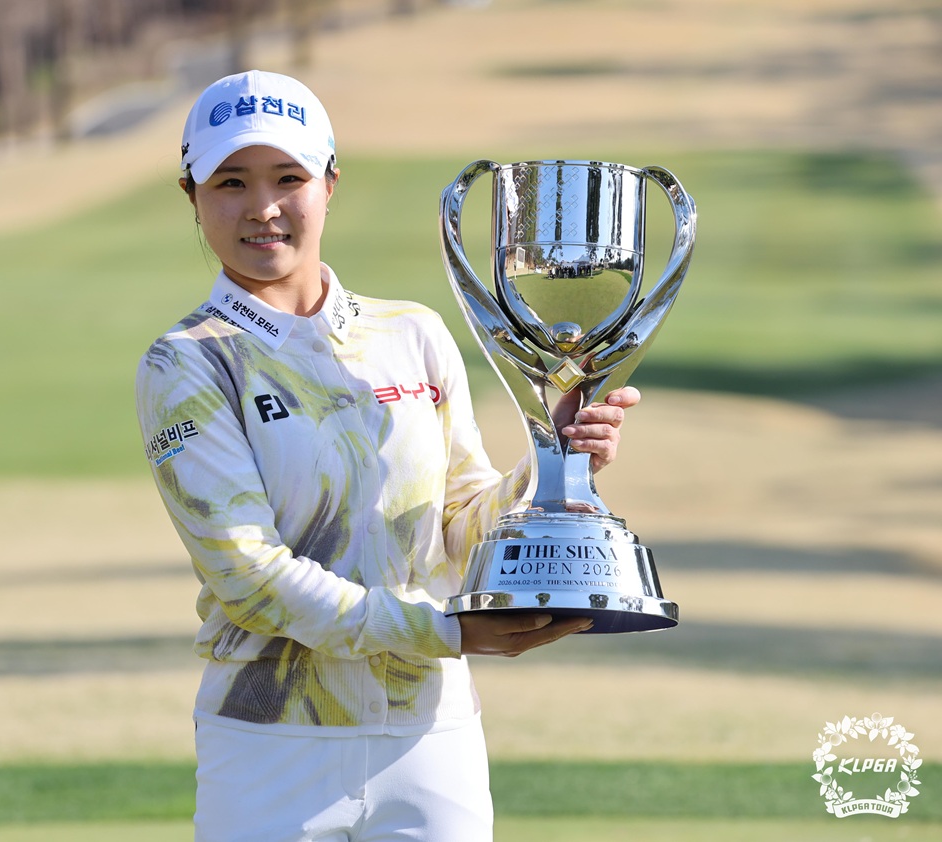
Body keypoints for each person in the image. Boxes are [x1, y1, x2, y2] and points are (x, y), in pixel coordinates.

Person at [135, 69, 641, 842]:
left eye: (289, 178)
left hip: (431, 739)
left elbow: (461, 527)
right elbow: (250, 580)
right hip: (272, 746)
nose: (263, 206)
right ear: (192, 196)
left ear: (330, 184)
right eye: (231, 181)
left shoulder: (413, 333)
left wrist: (555, 464)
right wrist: (447, 632)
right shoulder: (187, 362)